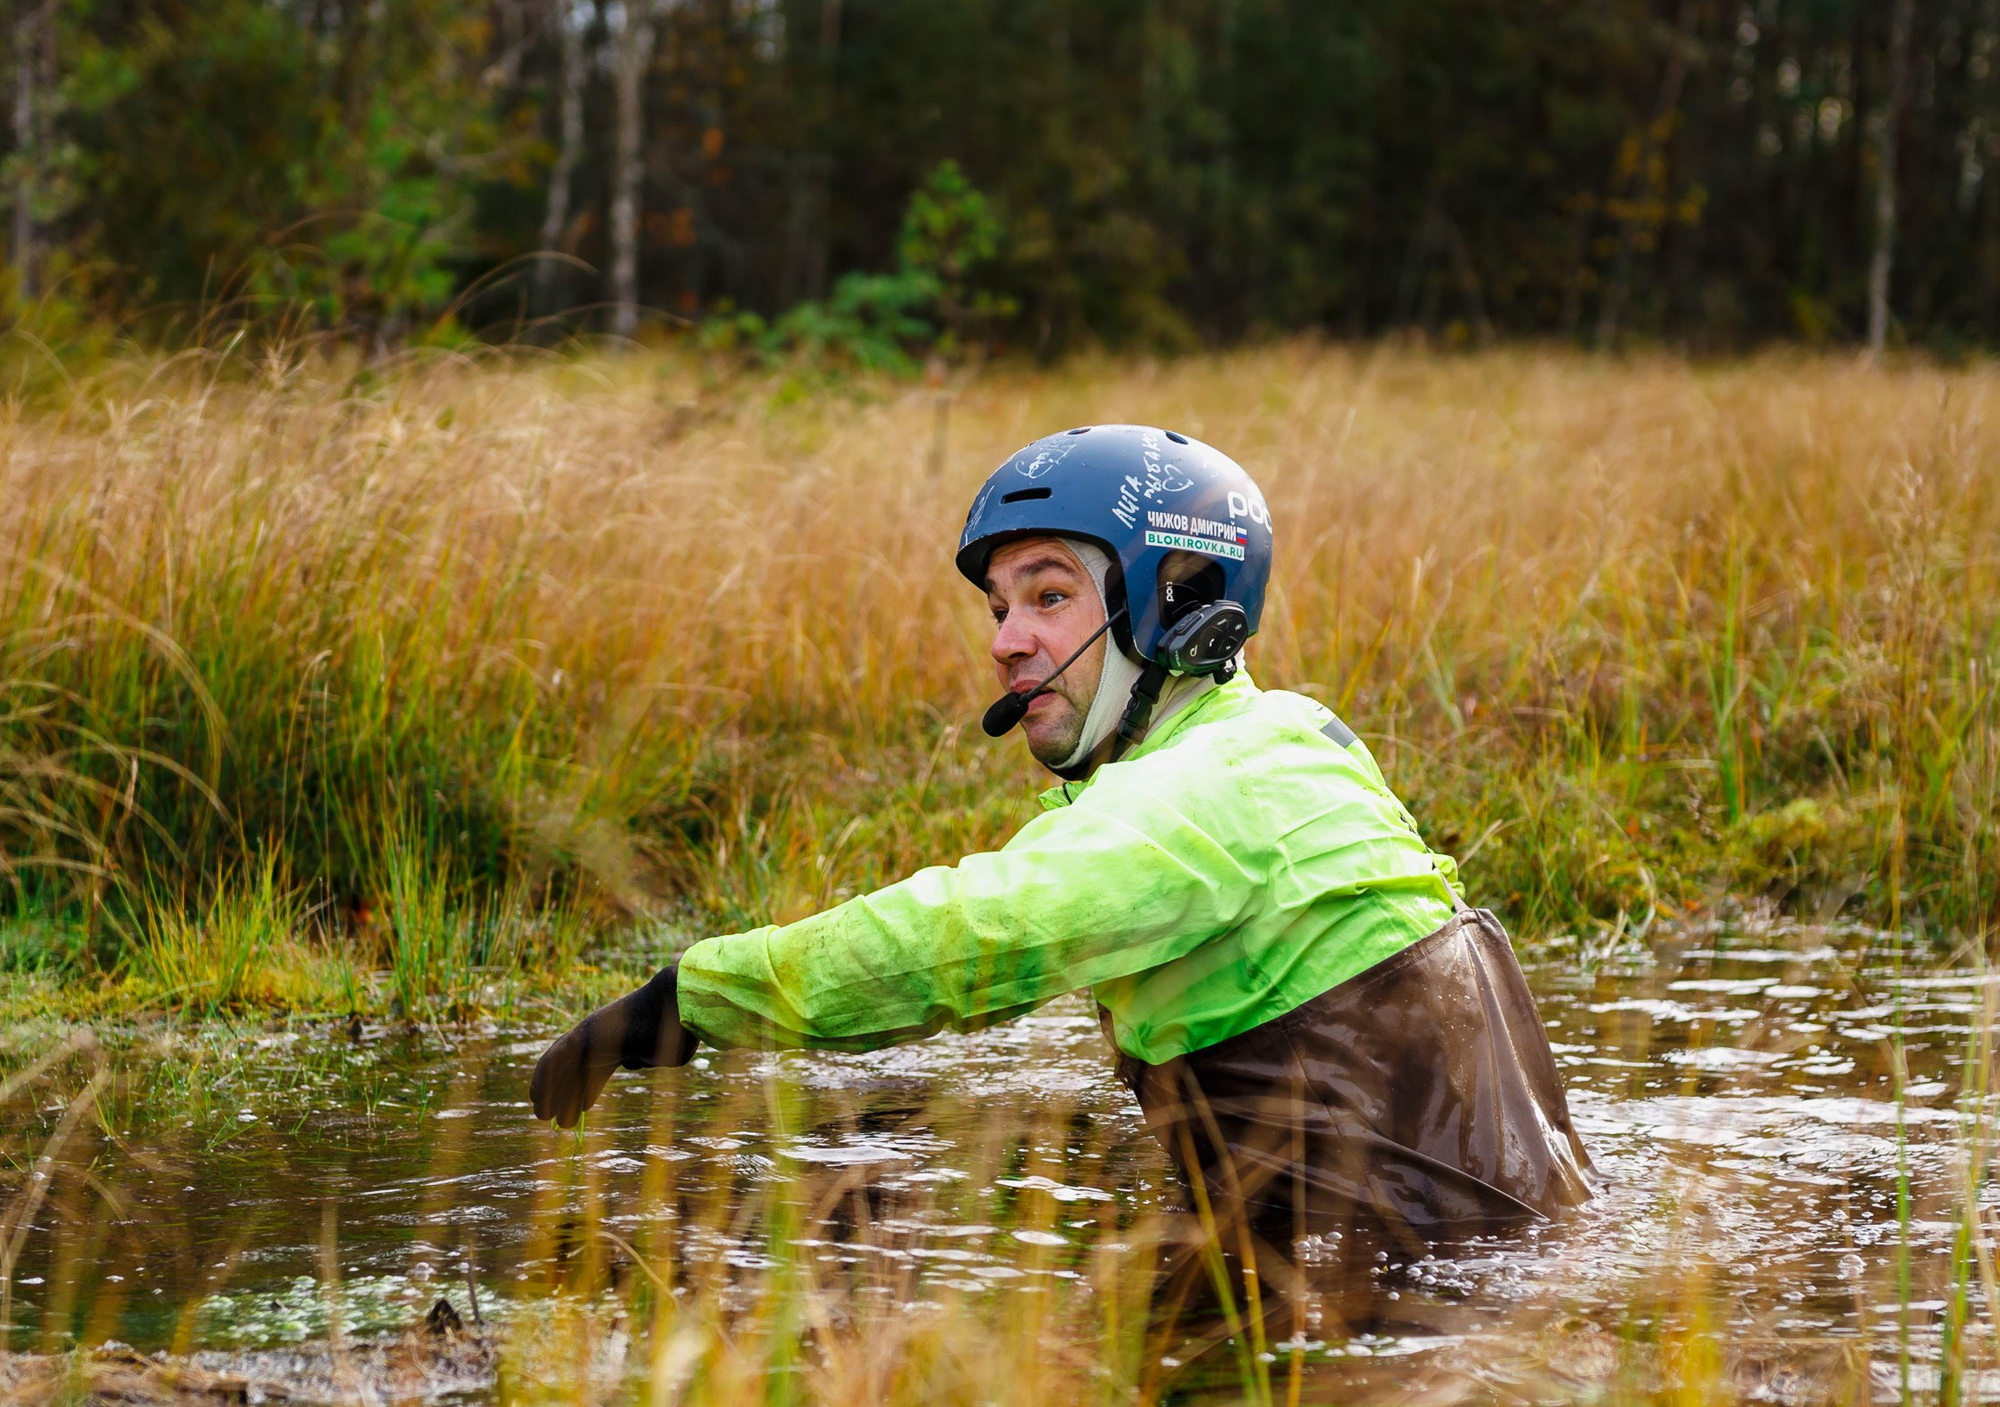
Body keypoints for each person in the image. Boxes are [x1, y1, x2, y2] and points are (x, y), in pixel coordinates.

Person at [530, 424, 1596, 1280]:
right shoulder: (1294, 736)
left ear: (1179, 603)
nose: (1005, 640)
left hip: (1402, 1296)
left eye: (1049, 596)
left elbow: (967, 938)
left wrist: (691, 995)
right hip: (1509, 1249)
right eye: (1000, 608)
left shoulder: (1197, 796)